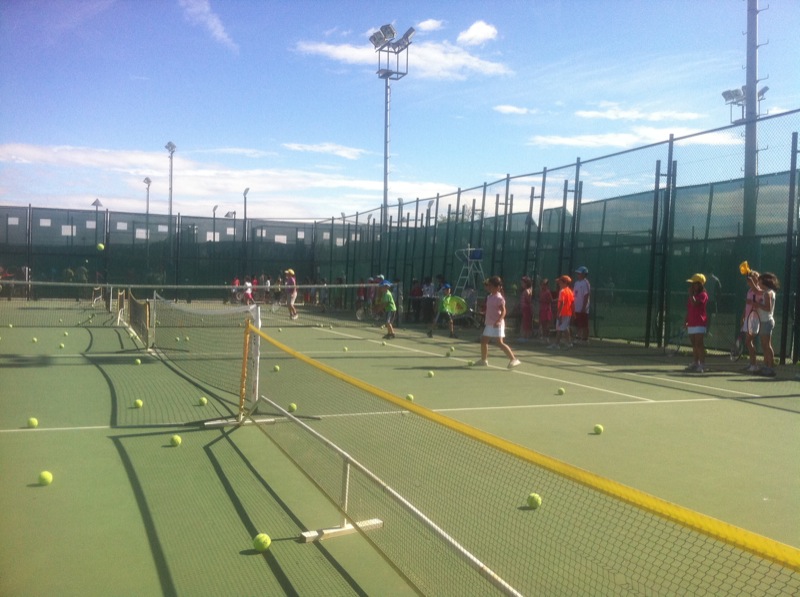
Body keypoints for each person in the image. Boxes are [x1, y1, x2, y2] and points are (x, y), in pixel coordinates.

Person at [477, 276, 521, 369]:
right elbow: (491, 309)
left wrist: (499, 320)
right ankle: (484, 360)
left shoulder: (499, 298)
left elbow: (504, 311)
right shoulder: (489, 297)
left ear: (497, 287)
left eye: (491, 286)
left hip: (497, 324)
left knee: (499, 343)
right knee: (484, 341)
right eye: (489, 285)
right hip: (489, 323)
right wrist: (484, 313)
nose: (489, 287)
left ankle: (513, 359)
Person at [751, 271, 780, 377]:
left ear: (764, 282)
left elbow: (768, 308)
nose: (758, 283)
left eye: (759, 282)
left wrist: (757, 304)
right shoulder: (767, 292)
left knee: (767, 345)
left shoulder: (768, 293)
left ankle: (770, 368)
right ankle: (766, 366)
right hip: (764, 321)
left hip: (766, 321)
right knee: (765, 345)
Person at [684, 273, 708, 373]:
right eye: (692, 284)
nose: (692, 286)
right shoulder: (692, 296)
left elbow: (694, 304)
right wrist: (686, 321)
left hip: (699, 322)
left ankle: (702, 364)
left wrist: (690, 294)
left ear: (700, 284)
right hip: (691, 323)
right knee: (694, 344)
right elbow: (689, 309)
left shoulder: (703, 295)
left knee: (699, 344)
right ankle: (695, 362)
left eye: (694, 284)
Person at [742, 270, 763, 374]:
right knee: (749, 342)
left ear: (757, 279)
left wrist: (752, 283)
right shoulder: (749, 291)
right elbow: (746, 305)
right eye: (749, 279)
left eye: (753, 278)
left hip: (754, 319)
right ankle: (752, 364)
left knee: (748, 341)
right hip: (747, 318)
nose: (750, 280)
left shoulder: (758, 290)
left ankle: (754, 365)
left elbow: (758, 294)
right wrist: (743, 316)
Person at [550, 275, 574, 349]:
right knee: (564, 328)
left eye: (560, 282)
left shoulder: (562, 291)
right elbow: (572, 303)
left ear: (565, 283)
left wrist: (559, 313)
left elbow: (562, 303)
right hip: (568, 313)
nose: (559, 284)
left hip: (563, 313)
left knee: (560, 328)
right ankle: (568, 343)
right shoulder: (570, 291)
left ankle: (557, 344)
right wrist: (573, 313)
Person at [572, 266, 591, 343]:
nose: (578, 275)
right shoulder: (576, 283)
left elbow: (586, 295)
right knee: (577, 323)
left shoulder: (586, 283)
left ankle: (585, 339)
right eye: (578, 273)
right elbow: (574, 295)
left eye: (579, 273)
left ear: (584, 274)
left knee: (584, 324)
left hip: (583, 308)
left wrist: (584, 307)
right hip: (576, 307)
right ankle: (578, 336)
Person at [538, 278, 553, 343]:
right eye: (542, 285)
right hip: (542, 309)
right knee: (543, 324)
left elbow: (550, 300)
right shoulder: (541, 292)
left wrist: (544, 301)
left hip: (547, 310)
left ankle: (547, 338)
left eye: (544, 285)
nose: (542, 286)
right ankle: (544, 337)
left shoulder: (548, 292)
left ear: (546, 285)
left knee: (547, 325)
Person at [518, 276, 533, 341]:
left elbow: (528, 301)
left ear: (526, 283)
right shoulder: (525, 291)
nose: (522, 284)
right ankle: (523, 336)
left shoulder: (526, 291)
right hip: (524, 309)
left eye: (523, 283)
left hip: (526, 309)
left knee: (526, 322)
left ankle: (525, 337)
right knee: (524, 322)